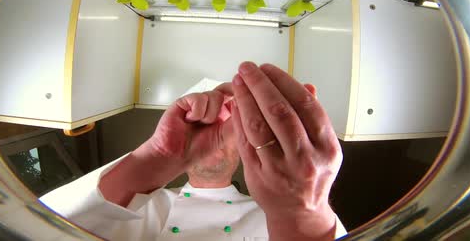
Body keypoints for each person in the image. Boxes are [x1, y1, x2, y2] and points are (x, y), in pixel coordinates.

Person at [40, 62, 346, 240]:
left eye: (229, 130)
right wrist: (157, 157)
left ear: (244, 149)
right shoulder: (137, 206)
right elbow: (31, 230)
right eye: (202, 126)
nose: (213, 139)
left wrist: (301, 215)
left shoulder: (270, 210)